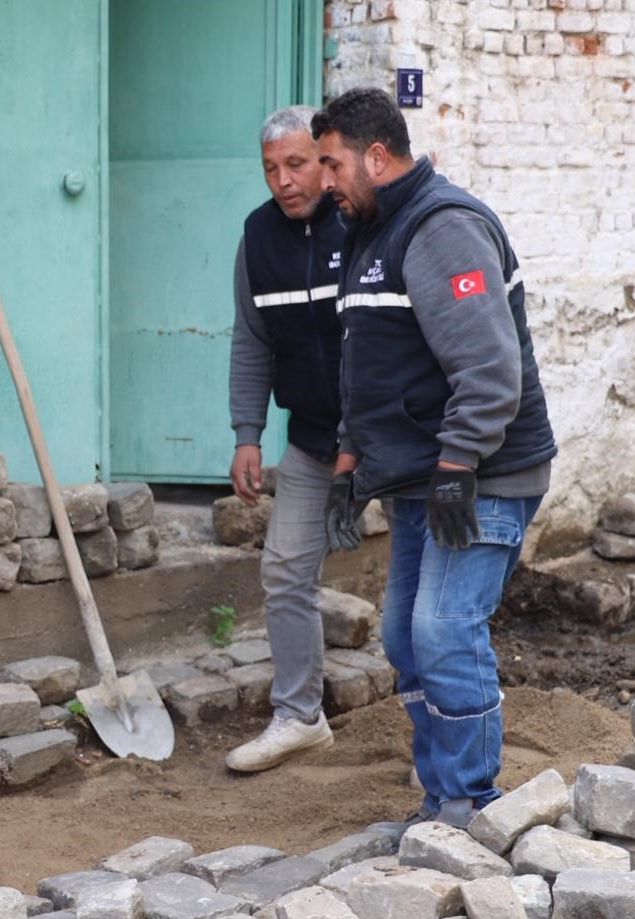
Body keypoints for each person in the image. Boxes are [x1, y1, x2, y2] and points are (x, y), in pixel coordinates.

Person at [313, 89, 558, 833]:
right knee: (403, 637)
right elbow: (369, 361)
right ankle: (441, 792)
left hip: (480, 472)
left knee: (447, 631)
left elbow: (490, 366)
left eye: (331, 163)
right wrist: (349, 462)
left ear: (376, 157)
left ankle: (471, 802)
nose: (324, 180)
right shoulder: (371, 230)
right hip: (423, 476)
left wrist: (458, 465)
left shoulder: (441, 229)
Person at [224, 106, 350, 774]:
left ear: (325, 162)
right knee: (284, 572)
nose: (284, 180)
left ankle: (447, 724)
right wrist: (248, 433)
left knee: (429, 585)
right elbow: (252, 340)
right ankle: (301, 716)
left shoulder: (361, 222)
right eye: (271, 168)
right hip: (309, 440)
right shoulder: (258, 237)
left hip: (387, 438)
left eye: (297, 164)